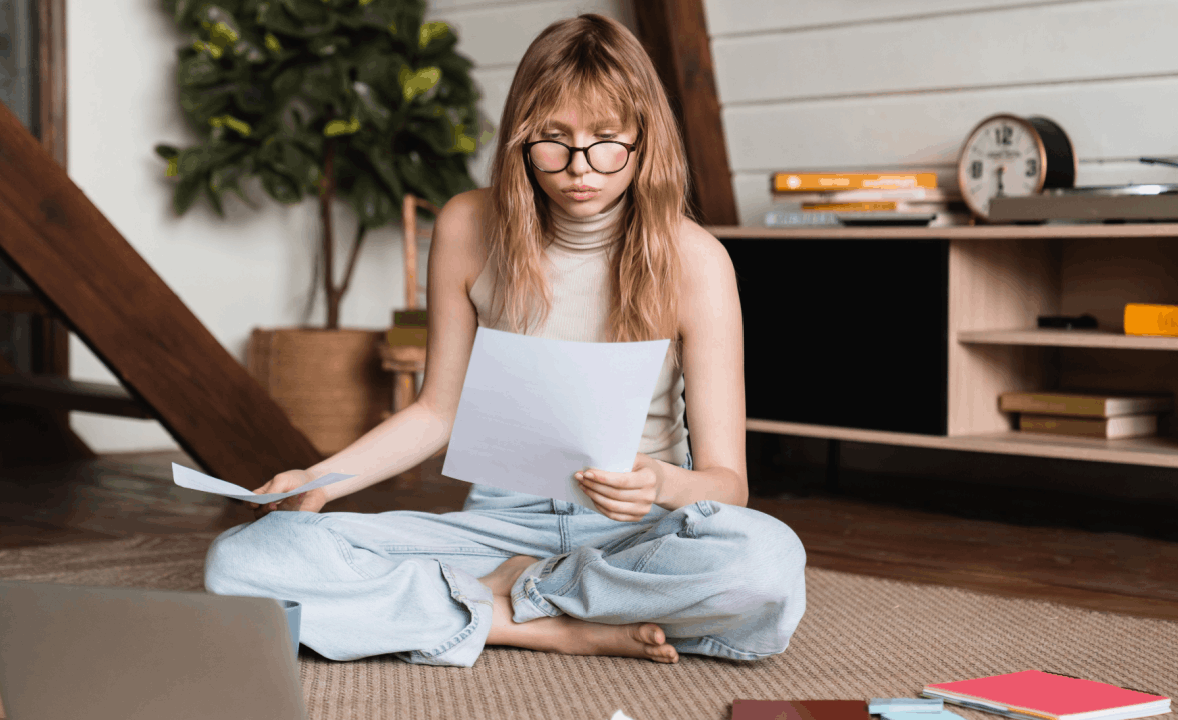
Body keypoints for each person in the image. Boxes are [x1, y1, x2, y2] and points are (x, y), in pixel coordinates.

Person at [203, 13, 805, 668]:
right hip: (495, 530)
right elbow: (436, 411)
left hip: (635, 539)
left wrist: (661, 482)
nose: (579, 170)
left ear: (644, 137)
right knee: (241, 560)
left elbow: (728, 485)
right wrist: (318, 480)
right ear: (521, 138)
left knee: (766, 561)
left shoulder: (697, 260)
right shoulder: (467, 225)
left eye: (607, 141)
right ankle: (535, 622)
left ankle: (506, 600)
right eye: (554, 141)